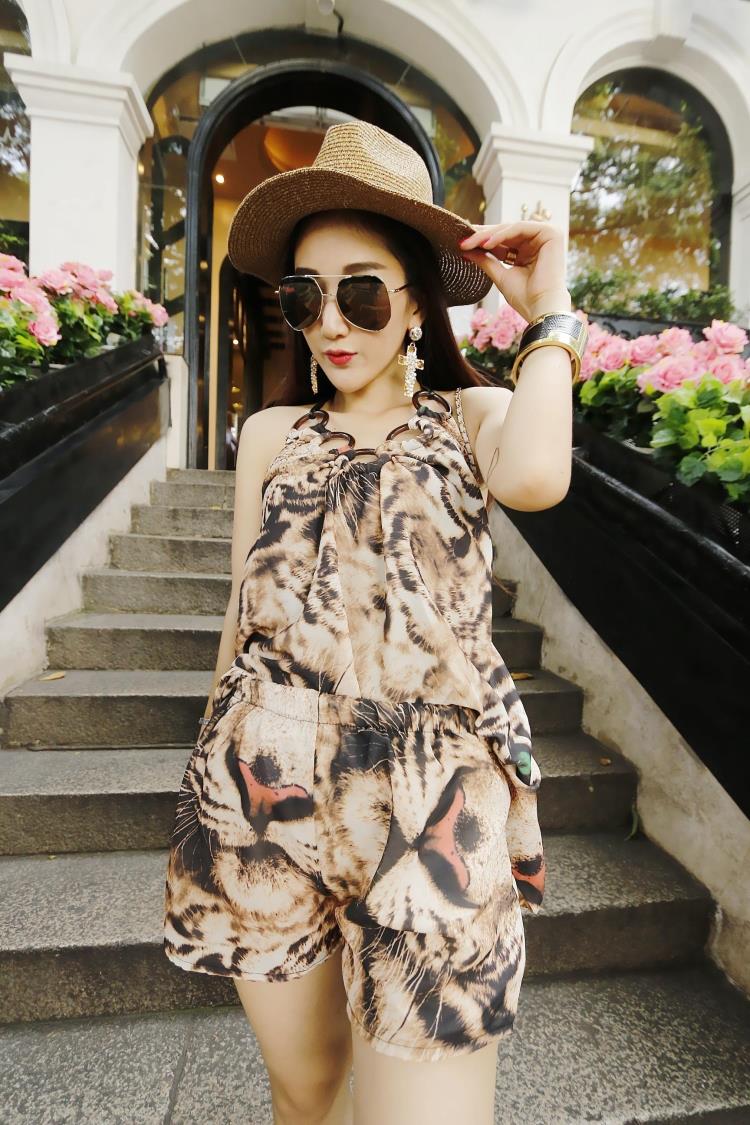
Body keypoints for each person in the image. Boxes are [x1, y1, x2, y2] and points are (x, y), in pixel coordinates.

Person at [163, 119, 586, 1125]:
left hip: (433, 798)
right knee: (306, 1091)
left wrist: (551, 312)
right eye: (304, 297)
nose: (330, 324)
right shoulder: (272, 433)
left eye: (361, 293)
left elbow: (538, 475)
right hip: (265, 782)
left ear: (418, 301)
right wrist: (208, 764)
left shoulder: (470, 420)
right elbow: (242, 608)